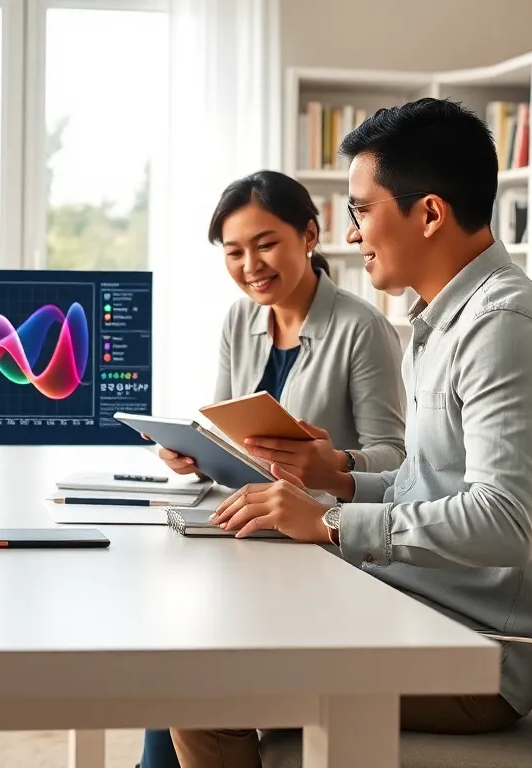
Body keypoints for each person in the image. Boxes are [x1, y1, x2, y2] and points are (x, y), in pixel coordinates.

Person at [168, 98, 532, 767]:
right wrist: (338, 479)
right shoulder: (443, 324)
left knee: (202, 690)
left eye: (362, 211)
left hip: (472, 654)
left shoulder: (505, 331)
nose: (351, 236)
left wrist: (334, 521)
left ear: (428, 213)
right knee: (205, 637)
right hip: (414, 605)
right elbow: (426, 480)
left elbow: (504, 523)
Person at [141, 171, 408, 768]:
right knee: (168, 642)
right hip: (245, 528)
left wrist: (335, 461)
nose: (250, 264)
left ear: (309, 234)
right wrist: (190, 450)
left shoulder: (363, 330)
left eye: (265, 244)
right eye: (234, 252)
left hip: (318, 546)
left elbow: (396, 458)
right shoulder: (239, 320)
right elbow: (219, 424)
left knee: (189, 659)